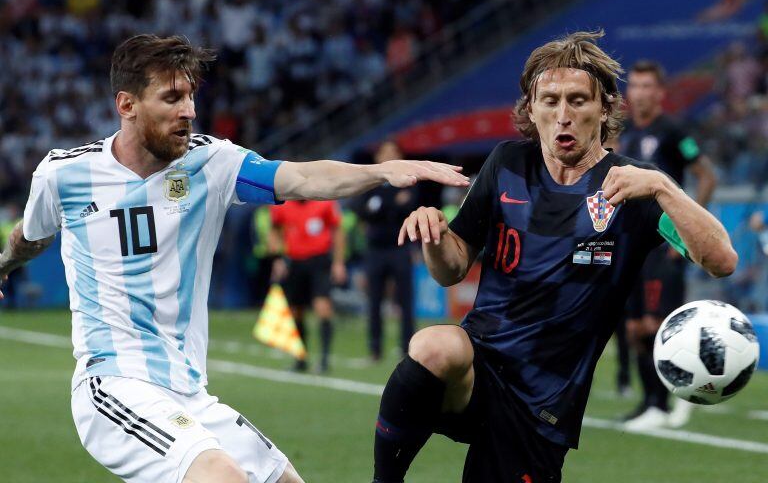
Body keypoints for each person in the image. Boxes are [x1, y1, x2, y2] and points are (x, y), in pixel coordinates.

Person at [0, 34, 469, 483]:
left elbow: (302, 179)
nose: (189, 111)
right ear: (127, 105)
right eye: (172, 98)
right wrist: (3, 264)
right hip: (113, 383)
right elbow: (32, 235)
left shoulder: (211, 163)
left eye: (191, 97)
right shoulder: (64, 174)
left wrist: (381, 171)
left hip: (187, 391)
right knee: (222, 477)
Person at [370, 30, 737, 483]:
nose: (563, 115)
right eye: (550, 101)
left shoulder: (634, 184)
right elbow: (451, 269)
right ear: (531, 109)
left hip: (542, 404)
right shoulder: (506, 164)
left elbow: (722, 260)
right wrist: (435, 235)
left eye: (578, 101)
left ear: (604, 108)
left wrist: (663, 186)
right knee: (432, 345)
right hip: (479, 369)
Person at [616, 60, 718, 430]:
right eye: (636, 86)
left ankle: (676, 398)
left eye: (648, 86)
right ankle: (650, 403)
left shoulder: (673, 130)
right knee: (633, 330)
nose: (640, 93)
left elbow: (706, 177)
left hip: (663, 246)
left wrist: (686, 233)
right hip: (631, 246)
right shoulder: (623, 133)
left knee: (658, 325)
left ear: (660, 93)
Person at [352, 141, 417, 361]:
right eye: (385, 152)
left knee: (406, 301)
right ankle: (375, 349)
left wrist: (380, 206)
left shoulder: (410, 179)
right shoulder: (370, 181)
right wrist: (391, 205)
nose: (389, 155)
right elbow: (361, 209)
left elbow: (410, 207)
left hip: (401, 248)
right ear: (378, 156)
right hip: (376, 250)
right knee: (374, 301)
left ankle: (408, 349)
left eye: (393, 152)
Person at [269, 199, 345, 372]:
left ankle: (325, 360)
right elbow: (274, 230)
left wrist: (339, 262)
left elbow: (338, 230)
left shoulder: (324, 201)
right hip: (294, 263)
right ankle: (300, 358)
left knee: (323, 307)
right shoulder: (282, 203)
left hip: (319, 262)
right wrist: (277, 258)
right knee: (296, 312)